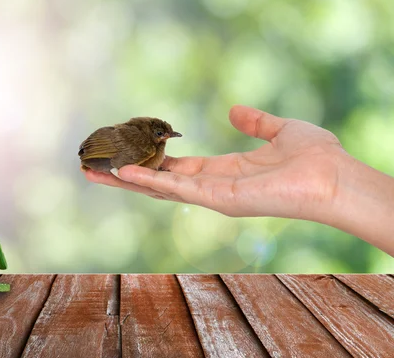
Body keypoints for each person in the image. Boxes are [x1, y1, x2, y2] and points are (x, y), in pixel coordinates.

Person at [83, 105, 394, 258]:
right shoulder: (143, 145)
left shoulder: (150, 145)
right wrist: (332, 185)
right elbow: (106, 148)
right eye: (163, 135)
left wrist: (332, 181)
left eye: (167, 135)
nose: (167, 139)